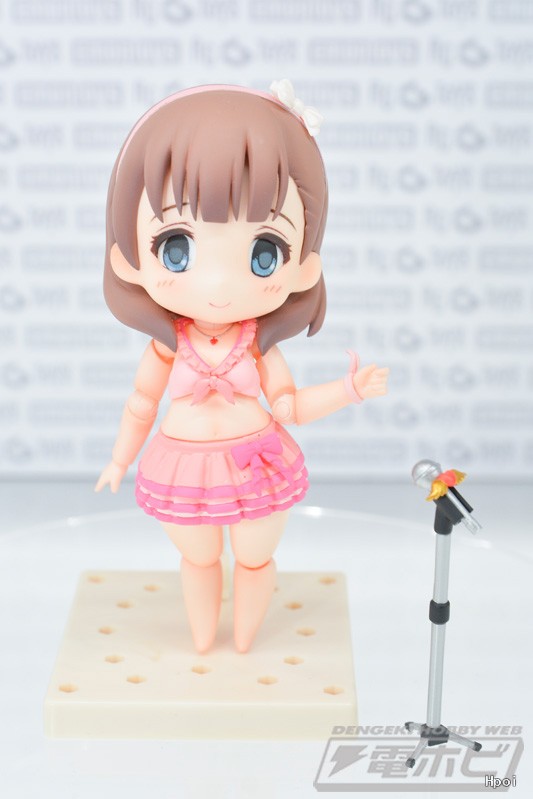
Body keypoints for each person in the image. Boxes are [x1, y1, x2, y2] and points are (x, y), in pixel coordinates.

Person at [95, 80, 389, 653]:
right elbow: (141, 402)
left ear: (303, 267)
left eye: (263, 253)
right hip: (181, 464)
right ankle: (204, 640)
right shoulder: (167, 346)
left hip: (257, 459)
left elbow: (290, 407)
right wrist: (119, 458)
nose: (218, 285)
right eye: (175, 248)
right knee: (198, 556)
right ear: (128, 256)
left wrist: (348, 390)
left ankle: (247, 640)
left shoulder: (259, 347)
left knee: (254, 556)